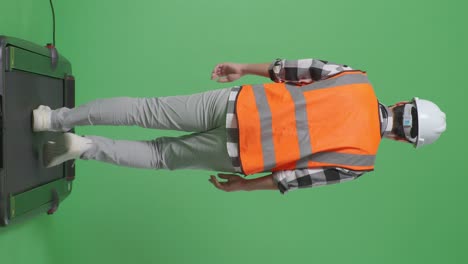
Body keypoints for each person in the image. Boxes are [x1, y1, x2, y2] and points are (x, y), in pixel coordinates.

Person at [32, 58, 447, 194]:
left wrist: (241, 67)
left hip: (237, 103)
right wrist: (244, 186)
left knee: (147, 109)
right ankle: (83, 146)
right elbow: (293, 178)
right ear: (401, 138)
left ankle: (53, 118)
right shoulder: (360, 163)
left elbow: (290, 68)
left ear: (401, 104)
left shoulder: (356, 78)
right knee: (159, 156)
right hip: (240, 154)